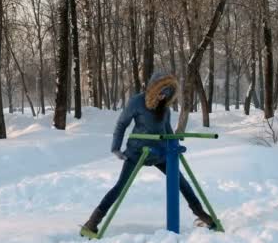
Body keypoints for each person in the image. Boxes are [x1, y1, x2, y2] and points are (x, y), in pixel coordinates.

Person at [82, 72, 216, 234]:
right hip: (138, 152)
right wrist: (116, 147)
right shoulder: (137, 102)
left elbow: (166, 130)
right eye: (160, 93)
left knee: (181, 181)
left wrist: (174, 146)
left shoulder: (164, 108)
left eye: (166, 94)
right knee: (120, 187)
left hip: (159, 152)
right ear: (153, 89)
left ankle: (201, 214)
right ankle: (92, 222)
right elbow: (122, 123)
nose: (162, 97)